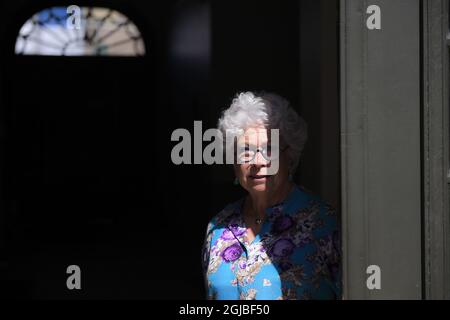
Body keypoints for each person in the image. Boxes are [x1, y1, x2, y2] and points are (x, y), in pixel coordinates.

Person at [202, 91, 341, 300]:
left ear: (290, 157)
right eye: (245, 151)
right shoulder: (218, 227)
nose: (258, 161)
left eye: (269, 149)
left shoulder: (324, 223)